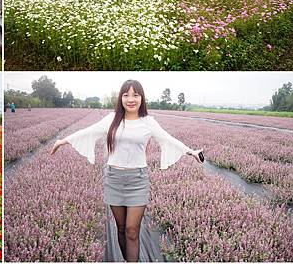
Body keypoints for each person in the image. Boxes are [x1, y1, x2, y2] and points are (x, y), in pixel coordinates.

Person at [51, 80, 203, 262]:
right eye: (126, 95)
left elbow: (168, 139)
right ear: (121, 98)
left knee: (132, 230)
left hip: (137, 181)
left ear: (141, 98)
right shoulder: (112, 119)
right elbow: (88, 131)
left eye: (135, 95)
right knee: (121, 228)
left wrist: (191, 152)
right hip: (114, 178)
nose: (131, 99)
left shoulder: (148, 122)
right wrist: (62, 141)